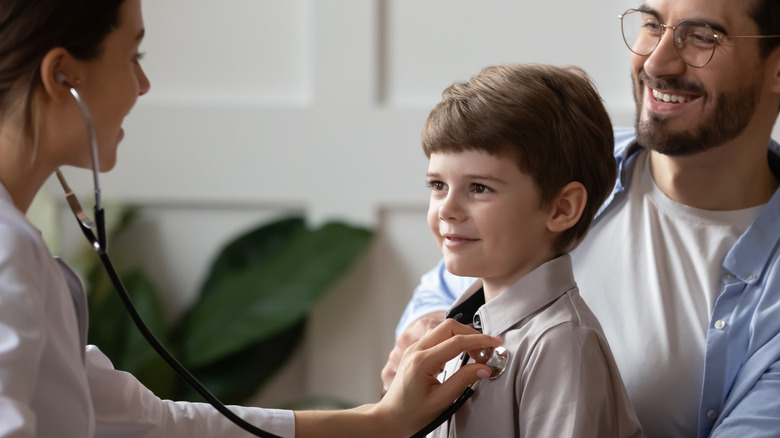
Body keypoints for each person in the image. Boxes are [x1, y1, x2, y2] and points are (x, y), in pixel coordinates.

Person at [0, 1, 503, 437]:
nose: (144, 84)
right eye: (134, 56)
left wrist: (380, 422)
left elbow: (146, 423)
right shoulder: (8, 251)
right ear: (62, 74)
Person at [382, 0, 780, 437]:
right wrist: (429, 330)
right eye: (651, 25)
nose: (657, 61)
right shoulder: (564, 158)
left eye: (702, 36)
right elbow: (442, 287)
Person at [421, 63, 642, 437]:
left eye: (479, 188)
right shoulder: (459, 330)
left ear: (562, 208)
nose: (446, 209)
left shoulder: (561, 344)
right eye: (438, 185)